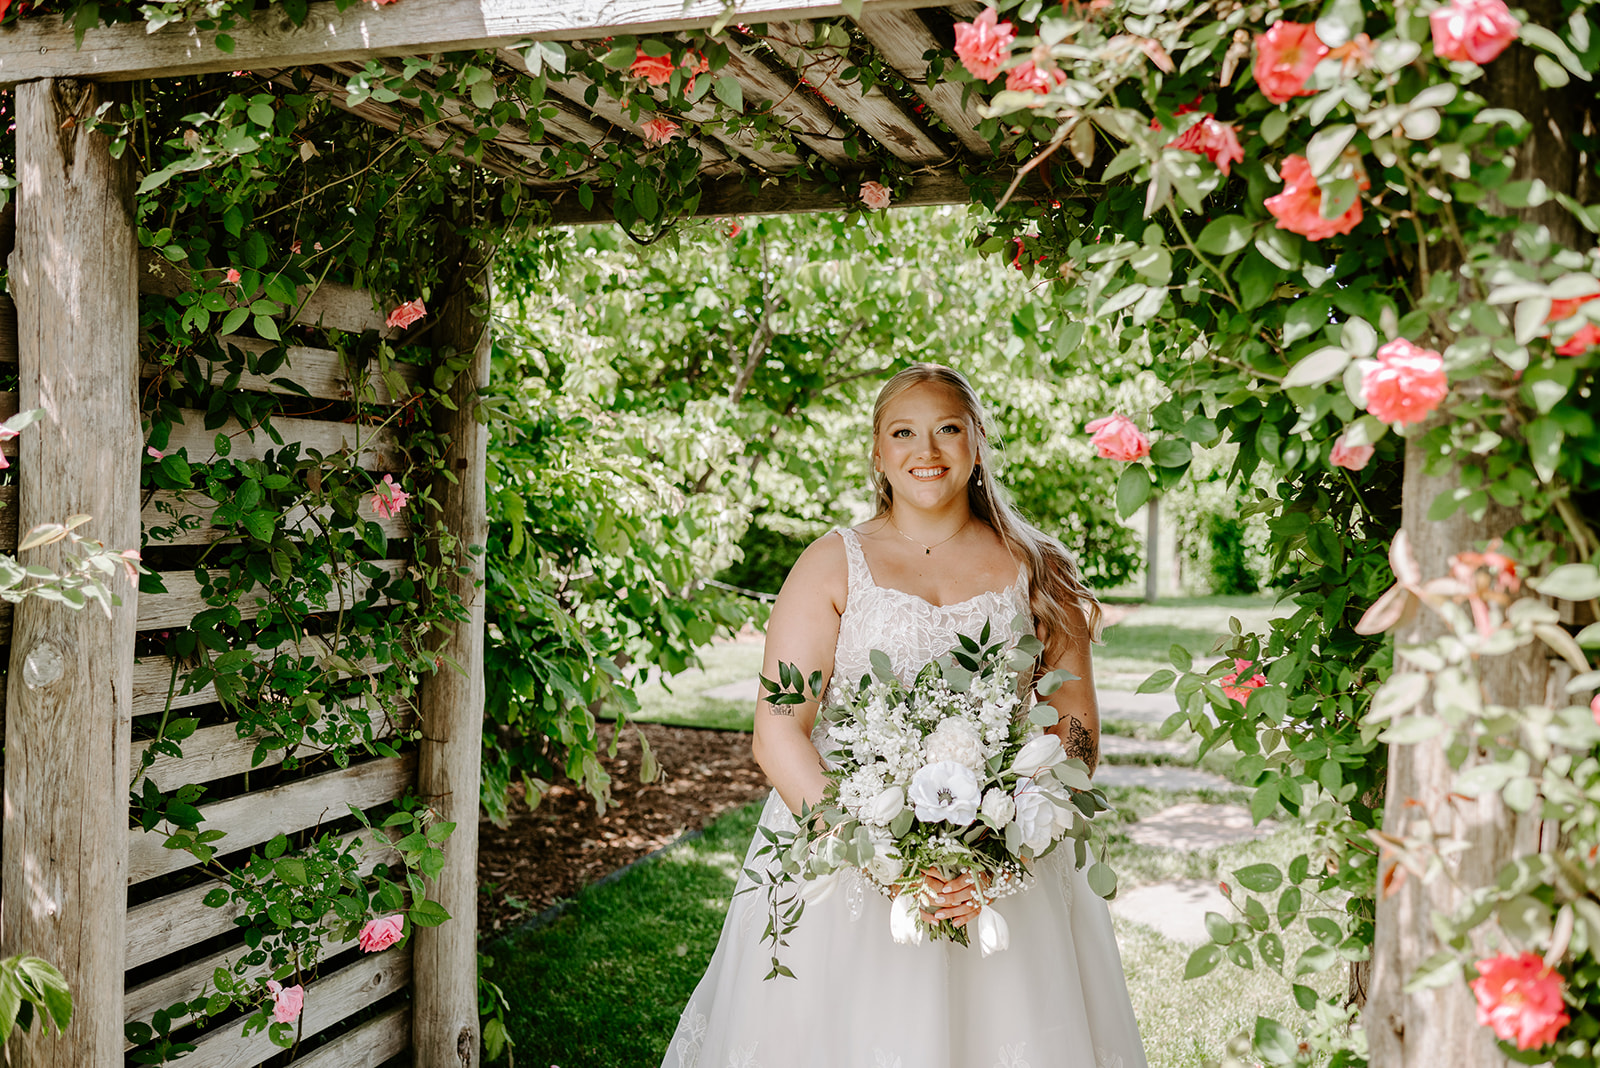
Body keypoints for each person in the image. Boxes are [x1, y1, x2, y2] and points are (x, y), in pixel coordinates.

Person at [662, 364, 1147, 1068]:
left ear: (977, 444)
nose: (928, 450)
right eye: (904, 432)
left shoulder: (1040, 570)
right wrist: (882, 856)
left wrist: (997, 857)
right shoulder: (831, 566)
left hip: (1007, 867)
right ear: (879, 455)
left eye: (949, 428)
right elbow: (778, 731)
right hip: (845, 862)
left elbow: (1074, 734)